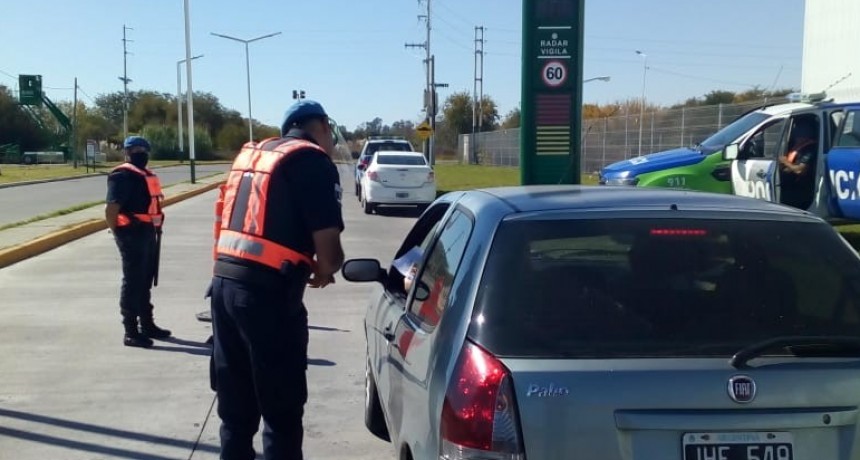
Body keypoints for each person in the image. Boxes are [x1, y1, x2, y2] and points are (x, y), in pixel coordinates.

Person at [210, 99, 345, 460]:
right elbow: (330, 255)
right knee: (281, 416)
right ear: (322, 127)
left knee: (236, 416)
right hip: (266, 299)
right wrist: (324, 268)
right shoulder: (312, 160)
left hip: (223, 287)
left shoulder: (255, 155)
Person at [105, 136, 172, 348]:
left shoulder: (145, 175)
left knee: (145, 279)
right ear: (126, 152)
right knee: (133, 280)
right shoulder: (122, 175)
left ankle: (147, 325)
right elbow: (111, 209)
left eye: (143, 148)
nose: (139, 152)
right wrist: (117, 232)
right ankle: (131, 331)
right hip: (130, 232)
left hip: (148, 231)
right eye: (134, 149)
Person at [778, 119, 819, 209]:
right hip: (790, 188)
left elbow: (800, 170)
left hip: (801, 191)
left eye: (798, 135)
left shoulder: (809, 148)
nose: (795, 138)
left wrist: (785, 162)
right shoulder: (797, 147)